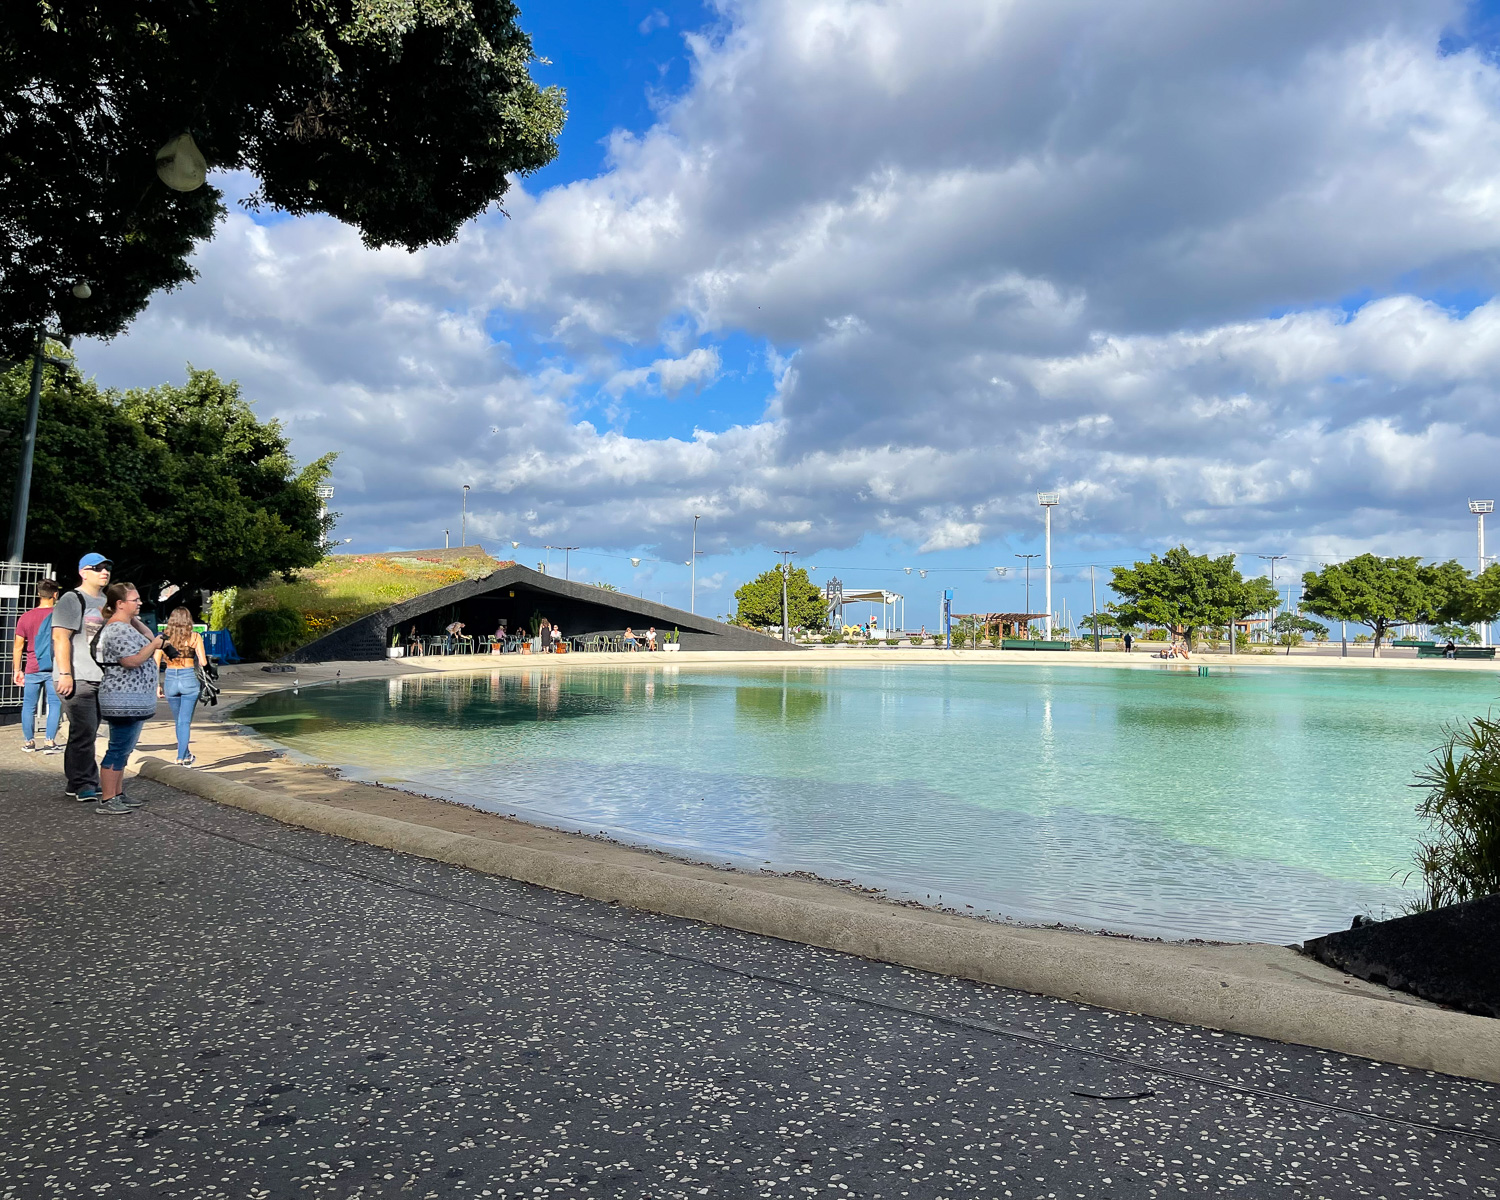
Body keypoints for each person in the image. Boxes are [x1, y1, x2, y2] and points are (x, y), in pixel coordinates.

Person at [93, 582, 169, 815]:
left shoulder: (126, 626)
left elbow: (147, 636)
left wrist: (133, 618)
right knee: (117, 748)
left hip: (133, 700)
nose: (140, 602)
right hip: (122, 699)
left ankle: (117, 793)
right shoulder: (116, 630)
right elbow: (130, 661)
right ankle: (108, 798)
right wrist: (155, 645)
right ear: (120, 603)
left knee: (124, 749)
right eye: (134, 600)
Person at [51, 553, 114, 802]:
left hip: (101, 677)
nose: (104, 571)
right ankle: (84, 782)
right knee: (84, 730)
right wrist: (65, 673)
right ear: (83, 572)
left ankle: (76, 780)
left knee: (87, 731)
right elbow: (60, 637)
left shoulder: (108, 601)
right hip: (78, 676)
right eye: (97, 567)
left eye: (107, 567)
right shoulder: (72, 599)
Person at [12, 578, 61, 753]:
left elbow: (18, 646)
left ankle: (29, 742)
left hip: (32, 667)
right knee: (54, 704)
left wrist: (17, 670)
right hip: (55, 667)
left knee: (28, 706)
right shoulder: (60, 616)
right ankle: (49, 742)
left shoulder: (25, 617)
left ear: (38, 594)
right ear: (55, 595)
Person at [156, 607, 207, 766]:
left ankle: (186, 754)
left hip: (170, 679)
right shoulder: (195, 637)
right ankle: (180, 757)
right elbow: (203, 662)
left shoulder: (163, 638)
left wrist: (157, 685)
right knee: (184, 722)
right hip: (189, 678)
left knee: (179, 721)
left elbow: (155, 663)